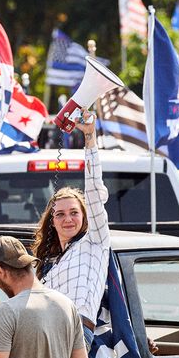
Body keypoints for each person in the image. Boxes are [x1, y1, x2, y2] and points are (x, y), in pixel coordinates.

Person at [32, 114, 107, 343]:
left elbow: (94, 191)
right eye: (61, 214)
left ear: (85, 217)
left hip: (75, 333)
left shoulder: (95, 242)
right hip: (44, 331)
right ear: (52, 221)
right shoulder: (48, 264)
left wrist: (89, 137)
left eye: (74, 212)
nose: (68, 219)